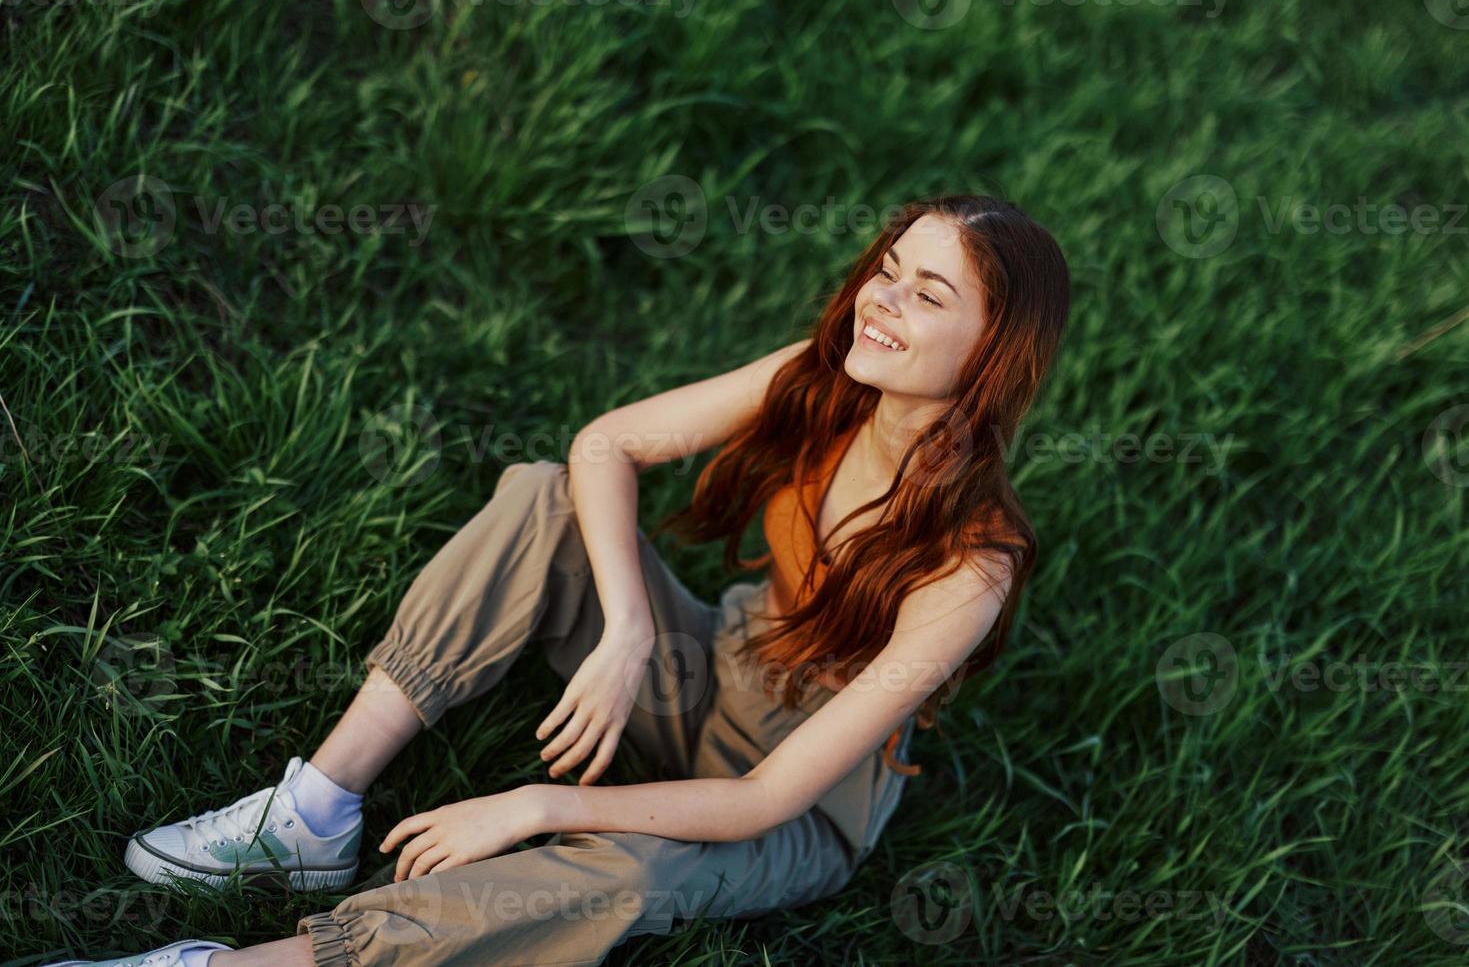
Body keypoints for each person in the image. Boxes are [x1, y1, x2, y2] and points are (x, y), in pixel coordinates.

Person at [47, 194, 1069, 967]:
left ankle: (255, 964)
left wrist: (533, 803)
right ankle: (314, 807)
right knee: (544, 497)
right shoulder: (822, 373)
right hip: (713, 657)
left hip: (798, 803)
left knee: (630, 866)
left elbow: (760, 797)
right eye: (888, 268)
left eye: (926, 293)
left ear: (993, 350)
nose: (880, 300)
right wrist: (627, 629)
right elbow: (605, 445)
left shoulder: (967, 567)